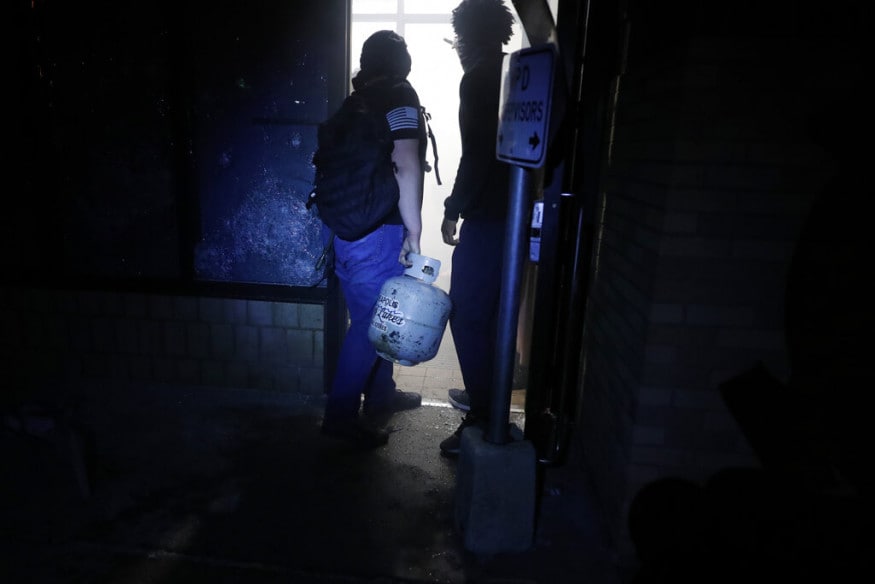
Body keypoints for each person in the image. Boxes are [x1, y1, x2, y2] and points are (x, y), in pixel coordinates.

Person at [320, 30, 426, 448]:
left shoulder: (358, 98)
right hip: (378, 233)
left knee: (373, 318)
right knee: (369, 325)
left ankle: (381, 393)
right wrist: (413, 232)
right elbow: (405, 162)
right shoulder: (399, 94)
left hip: (347, 231)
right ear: (401, 61)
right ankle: (340, 418)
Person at [439, 0, 515, 457]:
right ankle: (488, 396)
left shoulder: (481, 76)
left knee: (466, 313)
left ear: (465, 37)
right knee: (491, 314)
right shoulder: (516, 71)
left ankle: (484, 415)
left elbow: (477, 152)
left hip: (488, 216)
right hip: (517, 213)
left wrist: (453, 207)